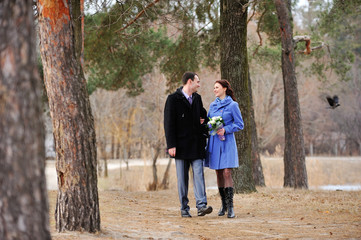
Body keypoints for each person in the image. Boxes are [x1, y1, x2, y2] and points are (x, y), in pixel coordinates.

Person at [164, 72, 213, 218]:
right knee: (182, 179)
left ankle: (201, 206)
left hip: (196, 145)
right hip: (179, 146)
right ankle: (184, 208)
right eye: (198, 82)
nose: (199, 84)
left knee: (198, 174)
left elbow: (203, 115)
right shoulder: (173, 99)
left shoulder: (197, 98)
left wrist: (205, 122)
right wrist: (171, 145)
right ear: (190, 82)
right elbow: (168, 124)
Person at [205, 79, 244, 218]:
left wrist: (226, 129)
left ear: (224, 89)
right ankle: (223, 204)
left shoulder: (233, 105)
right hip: (215, 142)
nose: (214, 90)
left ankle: (231, 207)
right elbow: (208, 123)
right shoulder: (212, 105)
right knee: (219, 173)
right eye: (214, 87)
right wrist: (207, 124)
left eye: (217, 87)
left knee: (227, 172)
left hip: (227, 142)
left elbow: (240, 124)